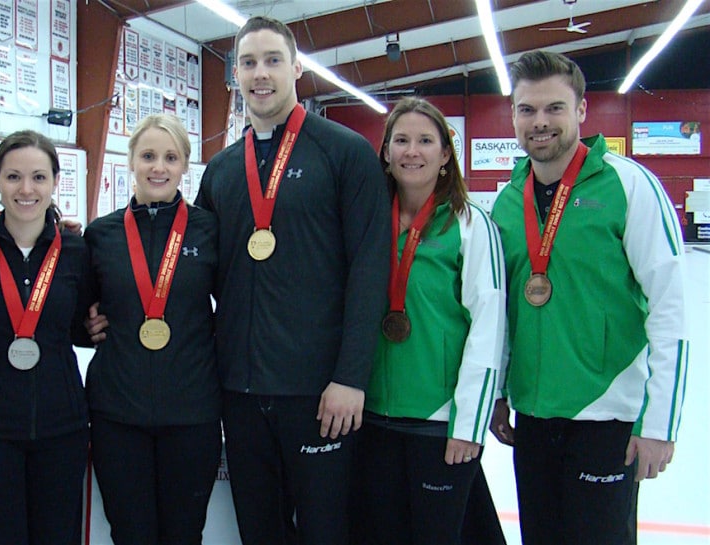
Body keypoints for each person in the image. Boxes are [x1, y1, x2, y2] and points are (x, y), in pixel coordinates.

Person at [194, 16, 390, 545]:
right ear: (235, 73)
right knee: (259, 530)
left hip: (319, 393)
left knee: (326, 531)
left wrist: (351, 377)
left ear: (297, 69)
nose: (261, 74)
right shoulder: (221, 171)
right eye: (249, 62)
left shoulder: (344, 153)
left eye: (273, 60)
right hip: (239, 389)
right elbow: (192, 266)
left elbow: (371, 269)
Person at [489, 50, 688, 545]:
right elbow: (503, 310)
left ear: (581, 110)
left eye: (554, 108)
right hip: (533, 418)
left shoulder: (630, 185)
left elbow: (670, 309)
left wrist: (660, 422)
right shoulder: (506, 200)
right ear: (513, 115)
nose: (540, 122)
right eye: (527, 110)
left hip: (609, 417)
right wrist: (496, 396)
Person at [349, 97, 506, 545]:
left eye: (424, 141)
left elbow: (489, 329)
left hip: (438, 422)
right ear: (385, 152)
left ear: (444, 155)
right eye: (400, 140)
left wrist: (469, 426)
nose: (411, 151)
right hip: (371, 416)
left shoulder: (471, 225)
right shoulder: (365, 221)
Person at [84, 113, 221, 544]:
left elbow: (239, 303)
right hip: (117, 413)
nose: (158, 167)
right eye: (148, 156)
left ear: (185, 165)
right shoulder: (100, 235)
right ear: (131, 162)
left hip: (192, 412)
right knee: (130, 534)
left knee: (184, 535)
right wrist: (83, 328)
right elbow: (76, 311)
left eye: (170, 157)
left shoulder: (209, 230)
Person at [0, 130, 92, 544]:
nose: (26, 189)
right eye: (13, 177)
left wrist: (93, 328)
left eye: (38, 177)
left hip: (61, 426)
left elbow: (86, 321)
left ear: (54, 182)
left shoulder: (77, 251)